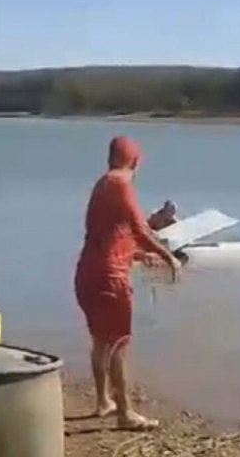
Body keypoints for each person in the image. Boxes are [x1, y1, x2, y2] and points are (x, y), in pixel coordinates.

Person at [74, 135, 182, 430]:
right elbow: (140, 228)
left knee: (100, 342)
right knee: (120, 342)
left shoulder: (102, 185)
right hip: (110, 279)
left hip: (87, 274)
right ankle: (126, 413)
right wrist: (167, 255)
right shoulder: (121, 183)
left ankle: (103, 402)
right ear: (135, 161)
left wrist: (135, 255)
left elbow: (109, 238)